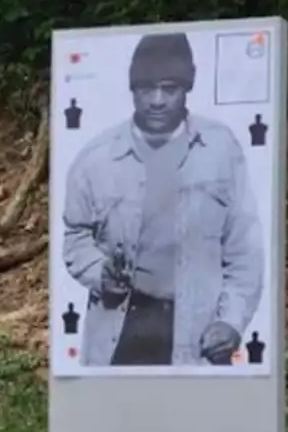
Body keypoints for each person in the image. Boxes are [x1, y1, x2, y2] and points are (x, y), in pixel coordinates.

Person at [62, 32, 263, 367]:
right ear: (132, 90)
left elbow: (244, 244)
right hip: (122, 328)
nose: (157, 100)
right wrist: (100, 274)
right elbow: (76, 237)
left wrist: (231, 320)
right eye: (145, 88)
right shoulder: (96, 158)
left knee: (194, 419)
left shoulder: (220, 149)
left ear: (187, 88)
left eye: (169, 88)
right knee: (118, 418)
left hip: (197, 331)